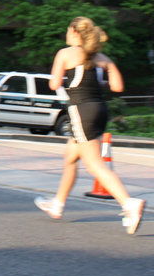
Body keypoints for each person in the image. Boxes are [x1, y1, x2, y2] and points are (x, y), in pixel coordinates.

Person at [34, 16, 146, 235]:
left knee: (94, 164)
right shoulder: (101, 57)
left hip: (80, 110)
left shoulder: (65, 53)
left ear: (75, 31)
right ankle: (57, 203)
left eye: (67, 29)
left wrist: (68, 78)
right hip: (100, 110)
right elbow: (117, 86)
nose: (66, 34)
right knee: (70, 157)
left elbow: (54, 83)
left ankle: (128, 203)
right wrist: (98, 79)